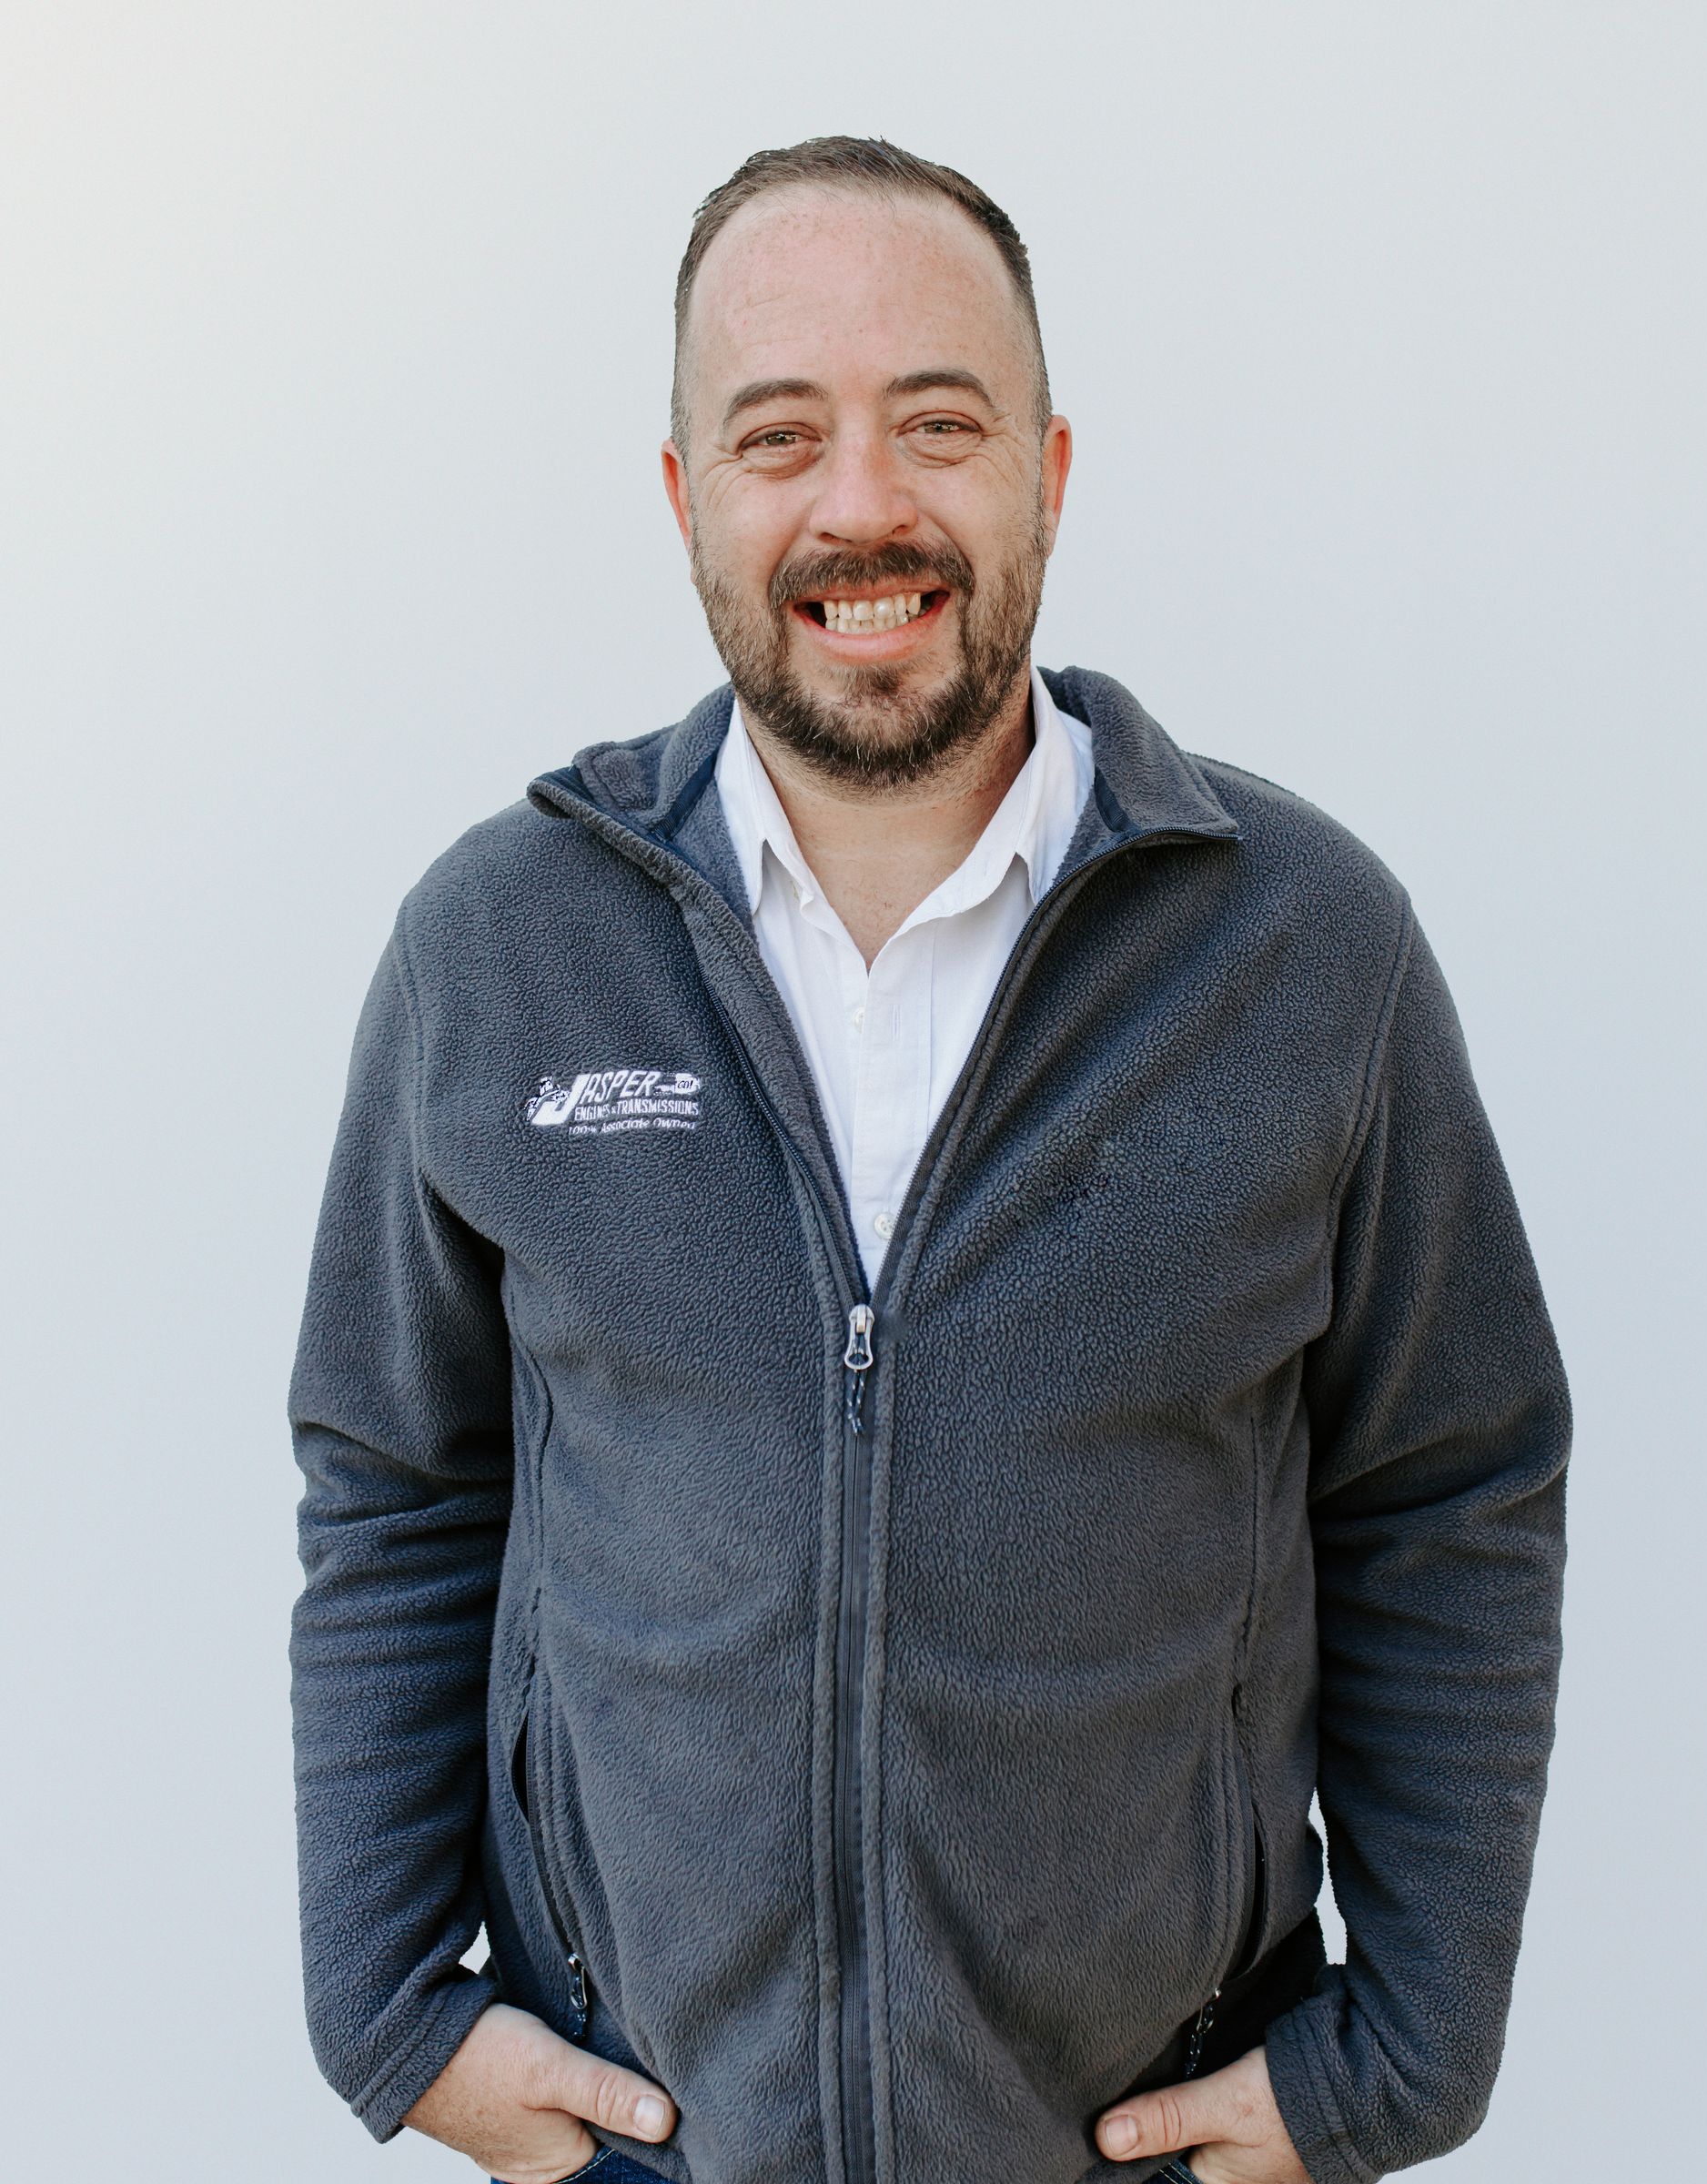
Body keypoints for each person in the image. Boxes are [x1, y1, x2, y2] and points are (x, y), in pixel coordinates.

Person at [288, 137, 1570, 2184]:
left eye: (939, 424)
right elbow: (394, 1477)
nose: (862, 506)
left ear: (1052, 469)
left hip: (1148, 2141)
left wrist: (1399, 2061)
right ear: (686, 495)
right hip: (645, 2142)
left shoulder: (1308, 949)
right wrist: (381, 2002)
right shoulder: (504, 945)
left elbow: (1453, 1487)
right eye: (778, 434)